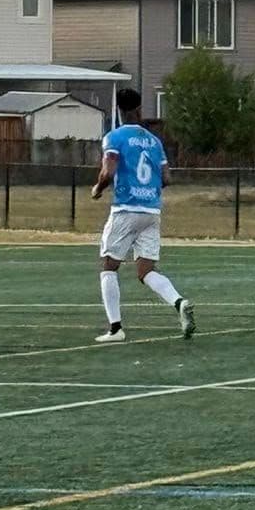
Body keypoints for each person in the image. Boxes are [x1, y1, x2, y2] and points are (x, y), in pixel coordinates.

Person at [91, 88, 195, 345]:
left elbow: (108, 171)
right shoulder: (154, 141)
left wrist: (97, 188)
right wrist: (148, 189)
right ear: (139, 109)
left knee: (108, 266)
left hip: (126, 208)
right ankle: (178, 302)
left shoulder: (114, 137)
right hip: (151, 210)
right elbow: (167, 178)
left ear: (119, 110)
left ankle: (116, 329)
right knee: (146, 270)